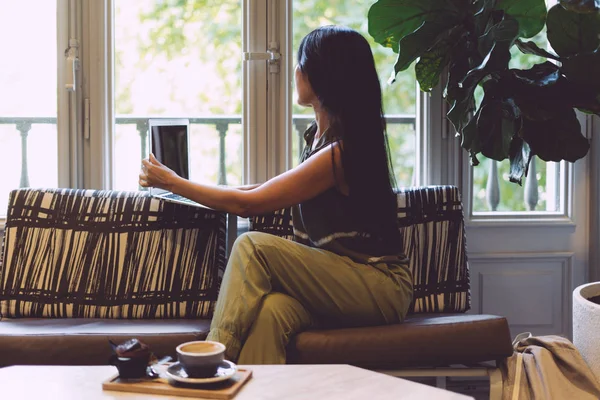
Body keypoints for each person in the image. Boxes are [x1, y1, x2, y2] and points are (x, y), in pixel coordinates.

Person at [139, 25, 413, 364]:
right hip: (343, 283)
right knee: (271, 311)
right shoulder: (318, 141)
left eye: (301, 63)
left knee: (252, 246)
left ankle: (206, 363)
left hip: (379, 288)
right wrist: (180, 184)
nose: (295, 71)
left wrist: (173, 182)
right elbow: (255, 191)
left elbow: (247, 204)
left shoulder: (341, 152)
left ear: (324, 76)